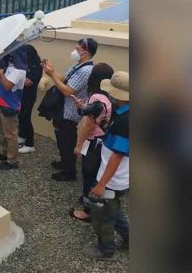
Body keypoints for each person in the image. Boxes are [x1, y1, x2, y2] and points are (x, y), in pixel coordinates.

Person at [83, 71, 129, 260]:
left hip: (113, 178)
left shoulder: (126, 120)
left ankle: (106, 249)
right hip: (118, 177)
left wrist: (101, 184)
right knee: (113, 209)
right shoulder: (122, 113)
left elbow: (117, 156)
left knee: (103, 214)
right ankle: (130, 239)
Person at [42, 38, 98, 182]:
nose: (74, 50)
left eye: (78, 49)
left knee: (67, 140)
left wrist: (51, 75)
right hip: (63, 108)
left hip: (70, 112)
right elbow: (65, 79)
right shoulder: (78, 65)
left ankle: (69, 172)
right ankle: (64, 163)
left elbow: (68, 90)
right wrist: (52, 70)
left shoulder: (86, 70)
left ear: (86, 52)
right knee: (61, 138)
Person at [68, 63, 114, 222]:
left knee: (88, 175)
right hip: (102, 140)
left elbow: (88, 125)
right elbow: (99, 114)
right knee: (94, 172)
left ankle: (88, 212)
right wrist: (83, 106)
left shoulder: (95, 96)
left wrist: (78, 145)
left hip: (93, 141)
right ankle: (92, 203)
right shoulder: (108, 95)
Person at [0, 47, 27, 170]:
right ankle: (5, 153)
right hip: (1, 104)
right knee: (5, 133)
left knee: (11, 134)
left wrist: (0, 73)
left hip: (9, 105)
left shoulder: (19, 71)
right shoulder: (10, 67)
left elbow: (7, 86)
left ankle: (12, 161)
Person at [17, 44, 43, 153]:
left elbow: (28, 83)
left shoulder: (37, 67)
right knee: (21, 117)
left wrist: (14, 77)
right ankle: (22, 136)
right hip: (21, 95)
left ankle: (30, 144)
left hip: (29, 97)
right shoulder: (25, 65)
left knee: (26, 117)